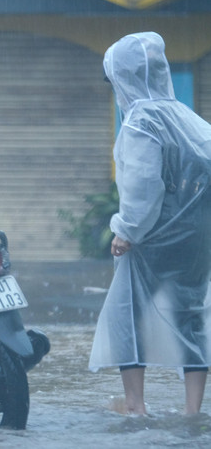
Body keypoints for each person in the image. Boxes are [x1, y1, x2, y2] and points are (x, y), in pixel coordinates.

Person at [88, 32, 211, 416]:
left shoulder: (142, 122)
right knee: (189, 315)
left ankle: (135, 404)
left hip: (154, 239)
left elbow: (143, 185)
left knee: (128, 312)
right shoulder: (193, 122)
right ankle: (194, 410)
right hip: (196, 241)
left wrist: (127, 230)